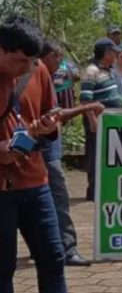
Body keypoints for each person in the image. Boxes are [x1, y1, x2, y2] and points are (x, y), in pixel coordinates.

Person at [0, 16, 66, 292]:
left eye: (32, 61)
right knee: (3, 269)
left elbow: (51, 112)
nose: (28, 67)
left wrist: (50, 126)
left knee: (53, 259)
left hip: (36, 183)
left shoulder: (37, 70)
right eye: (20, 61)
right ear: (2, 49)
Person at [40, 40, 105, 267]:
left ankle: (47, 246)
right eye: (58, 58)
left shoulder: (44, 77)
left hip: (45, 149)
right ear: (48, 56)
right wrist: (86, 108)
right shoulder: (39, 76)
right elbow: (56, 115)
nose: (60, 62)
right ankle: (67, 248)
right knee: (59, 198)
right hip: (45, 151)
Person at [80, 38, 122, 201]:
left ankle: (104, 187)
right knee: (94, 155)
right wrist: (92, 120)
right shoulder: (91, 71)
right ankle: (93, 190)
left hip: (110, 122)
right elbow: (85, 100)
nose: (116, 56)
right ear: (106, 53)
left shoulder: (107, 70)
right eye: (114, 53)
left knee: (107, 155)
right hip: (97, 121)